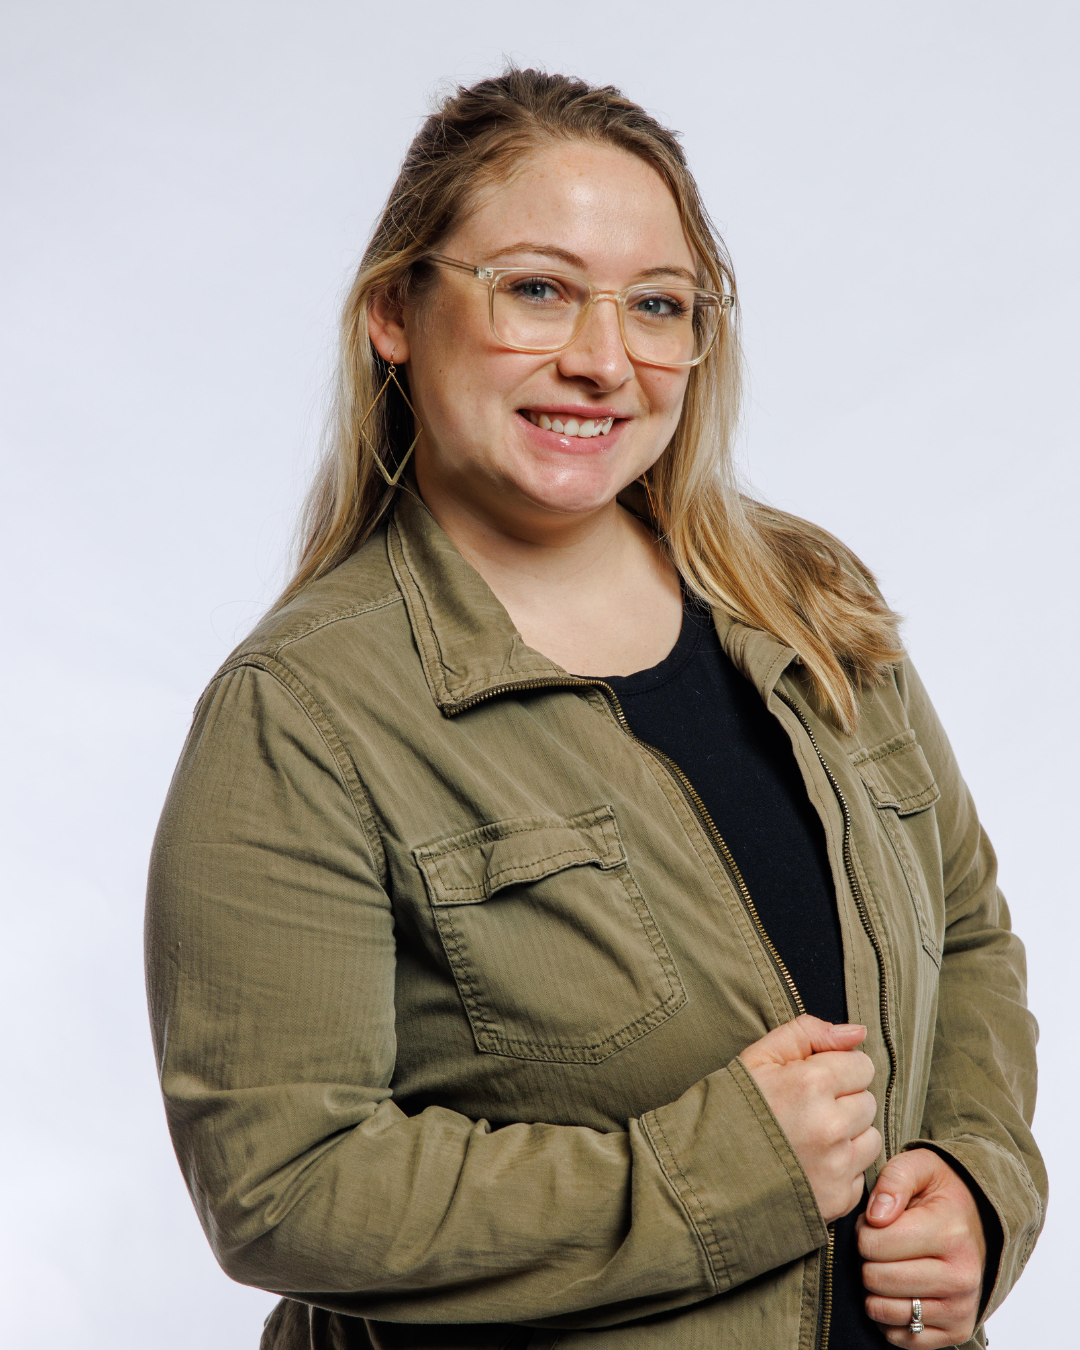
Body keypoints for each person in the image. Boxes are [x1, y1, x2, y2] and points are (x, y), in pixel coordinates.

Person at [145, 69, 1045, 1350]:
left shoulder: (805, 600)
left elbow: (964, 932)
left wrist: (974, 1182)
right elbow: (283, 1188)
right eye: (537, 289)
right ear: (396, 312)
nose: (603, 361)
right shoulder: (302, 713)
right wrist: (724, 1171)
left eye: (658, 305)